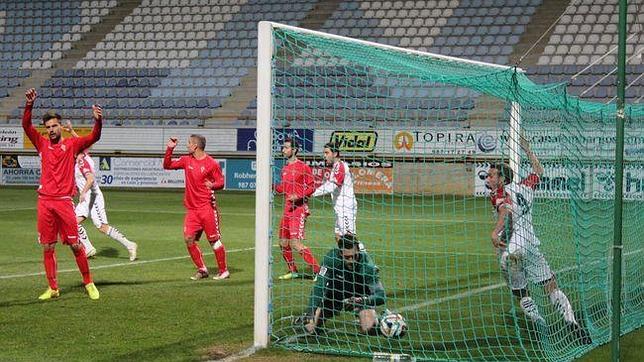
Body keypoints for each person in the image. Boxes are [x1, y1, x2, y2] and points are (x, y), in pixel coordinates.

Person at [486, 136, 591, 344]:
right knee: (550, 284)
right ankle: (571, 321)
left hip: (512, 247)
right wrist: (528, 150)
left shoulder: (500, 192)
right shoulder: (525, 187)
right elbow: (539, 172)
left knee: (519, 289)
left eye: (491, 175)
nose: (487, 178)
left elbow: (505, 210)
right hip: (531, 244)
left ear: (502, 179)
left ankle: (538, 321)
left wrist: (495, 232)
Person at [22, 88, 101, 300]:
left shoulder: (72, 144)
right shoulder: (42, 144)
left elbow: (94, 136)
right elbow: (26, 126)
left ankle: (89, 282)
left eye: (54, 125)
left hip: (64, 202)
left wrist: (98, 121)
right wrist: (29, 105)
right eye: (47, 127)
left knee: (76, 245)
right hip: (44, 202)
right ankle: (53, 288)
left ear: (60, 126)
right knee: (48, 246)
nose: (51, 129)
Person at [62, 122, 138, 261]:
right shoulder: (82, 155)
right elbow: (83, 142)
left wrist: (83, 193)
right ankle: (89, 248)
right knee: (71, 223)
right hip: (86, 198)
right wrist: (71, 131)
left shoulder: (82, 161)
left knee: (102, 227)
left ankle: (130, 245)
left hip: (92, 197)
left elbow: (90, 179)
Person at [163, 135, 229, 280]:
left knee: (214, 241)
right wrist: (170, 148)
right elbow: (167, 165)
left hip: (207, 208)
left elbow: (221, 182)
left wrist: (213, 185)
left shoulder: (211, 163)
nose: (187, 145)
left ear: (195, 146)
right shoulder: (187, 160)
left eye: (189, 143)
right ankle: (202, 269)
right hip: (192, 210)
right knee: (188, 239)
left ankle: (223, 271)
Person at [300, 234, 385, 334]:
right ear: (340, 254)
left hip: (360, 296)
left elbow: (381, 296)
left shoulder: (367, 266)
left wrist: (362, 301)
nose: (351, 261)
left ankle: (372, 316)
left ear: (358, 250)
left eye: (354, 256)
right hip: (335, 294)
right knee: (309, 328)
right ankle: (313, 317)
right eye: (347, 257)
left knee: (370, 329)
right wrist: (311, 310)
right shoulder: (330, 259)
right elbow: (319, 286)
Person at [274, 138, 320, 280]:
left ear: (294, 150)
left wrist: (299, 196)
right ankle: (292, 270)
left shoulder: (303, 167)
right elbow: (283, 188)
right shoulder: (285, 168)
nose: (283, 150)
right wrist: (272, 186)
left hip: (298, 209)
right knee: (282, 242)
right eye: (283, 148)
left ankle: (319, 272)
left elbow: (312, 186)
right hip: (287, 210)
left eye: (286, 148)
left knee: (295, 242)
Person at [312, 142, 358, 245]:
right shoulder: (337, 166)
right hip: (340, 207)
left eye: (327, 153)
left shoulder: (340, 166)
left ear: (335, 153)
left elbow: (332, 186)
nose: (324, 156)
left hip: (345, 208)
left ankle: (364, 259)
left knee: (350, 240)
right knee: (338, 236)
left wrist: (311, 193)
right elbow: (330, 183)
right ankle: (343, 260)